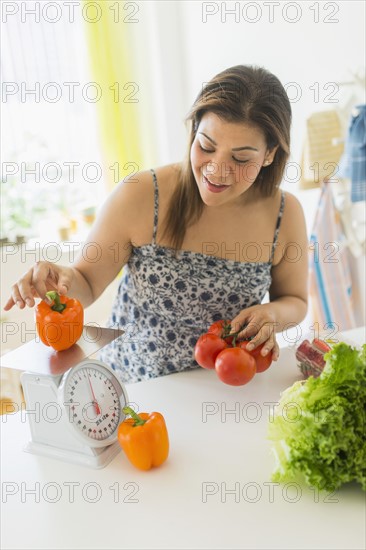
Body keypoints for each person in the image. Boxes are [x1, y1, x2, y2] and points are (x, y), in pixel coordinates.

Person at [4, 65, 308, 383]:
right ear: (193, 131)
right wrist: (60, 282)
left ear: (271, 153)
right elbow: (87, 283)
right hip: (132, 391)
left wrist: (272, 314)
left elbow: (296, 301)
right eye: (206, 146)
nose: (218, 170)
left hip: (225, 390)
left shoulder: (285, 215)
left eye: (241, 159)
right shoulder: (142, 194)